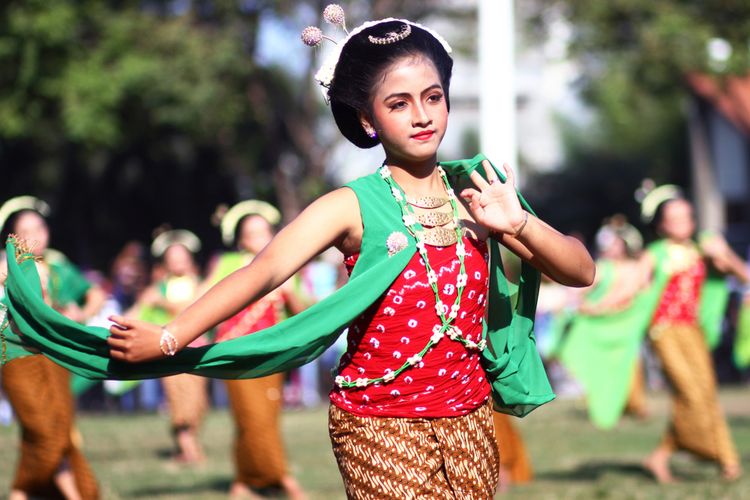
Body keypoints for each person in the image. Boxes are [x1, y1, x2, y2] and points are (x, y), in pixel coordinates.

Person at [2, 8, 595, 498]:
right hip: (377, 423)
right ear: (366, 119)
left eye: (433, 97)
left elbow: (580, 270)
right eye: (399, 103)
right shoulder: (350, 205)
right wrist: (171, 335)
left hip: (468, 419)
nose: (421, 115)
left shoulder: (480, 191)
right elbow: (265, 271)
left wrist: (519, 224)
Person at [597, 185, 748, 482]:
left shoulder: (702, 250)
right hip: (664, 332)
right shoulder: (654, 254)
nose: (683, 223)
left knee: (704, 395)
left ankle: (666, 456)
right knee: (691, 394)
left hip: (695, 331)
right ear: (662, 224)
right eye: (675, 218)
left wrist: (725, 254)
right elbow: (631, 287)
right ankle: (719, 455)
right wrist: (598, 306)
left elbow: (743, 275)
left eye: (687, 216)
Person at [0, 196, 102, 500]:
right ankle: (23, 492)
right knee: (45, 431)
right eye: (27, 230)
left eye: (40, 227)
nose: (36, 236)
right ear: (12, 236)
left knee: (58, 429)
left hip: (54, 356)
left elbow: (93, 294)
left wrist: (79, 314)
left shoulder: (57, 265)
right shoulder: (6, 268)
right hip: (16, 358)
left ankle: (65, 494)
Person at [205, 201, 307, 499]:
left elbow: (302, 310)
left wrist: (286, 292)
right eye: (253, 233)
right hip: (234, 351)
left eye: (264, 231)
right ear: (241, 240)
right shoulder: (226, 265)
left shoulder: (287, 264)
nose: (260, 238)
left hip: (271, 353)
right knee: (248, 416)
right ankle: (282, 478)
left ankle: (245, 479)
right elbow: (208, 297)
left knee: (266, 417)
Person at [553, 216, 650, 429]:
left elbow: (639, 290)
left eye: (614, 243)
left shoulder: (635, 267)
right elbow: (580, 288)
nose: (610, 248)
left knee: (631, 363)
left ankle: (634, 404)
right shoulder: (603, 267)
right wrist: (582, 305)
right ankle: (605, 401)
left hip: (624, 324)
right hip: (602, 325)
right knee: (601, 366)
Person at [128, 229, 209, 464]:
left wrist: (164, 304)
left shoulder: (199, 284)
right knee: (179, 400)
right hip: (171, 351)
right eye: (172, 257)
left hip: (198, 350)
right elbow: (139, 310)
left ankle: (187, 445)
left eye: (181, 256)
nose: (177, 261)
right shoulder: (158, 288)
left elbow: (196, 307)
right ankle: (190, 450)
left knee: (198, 402)